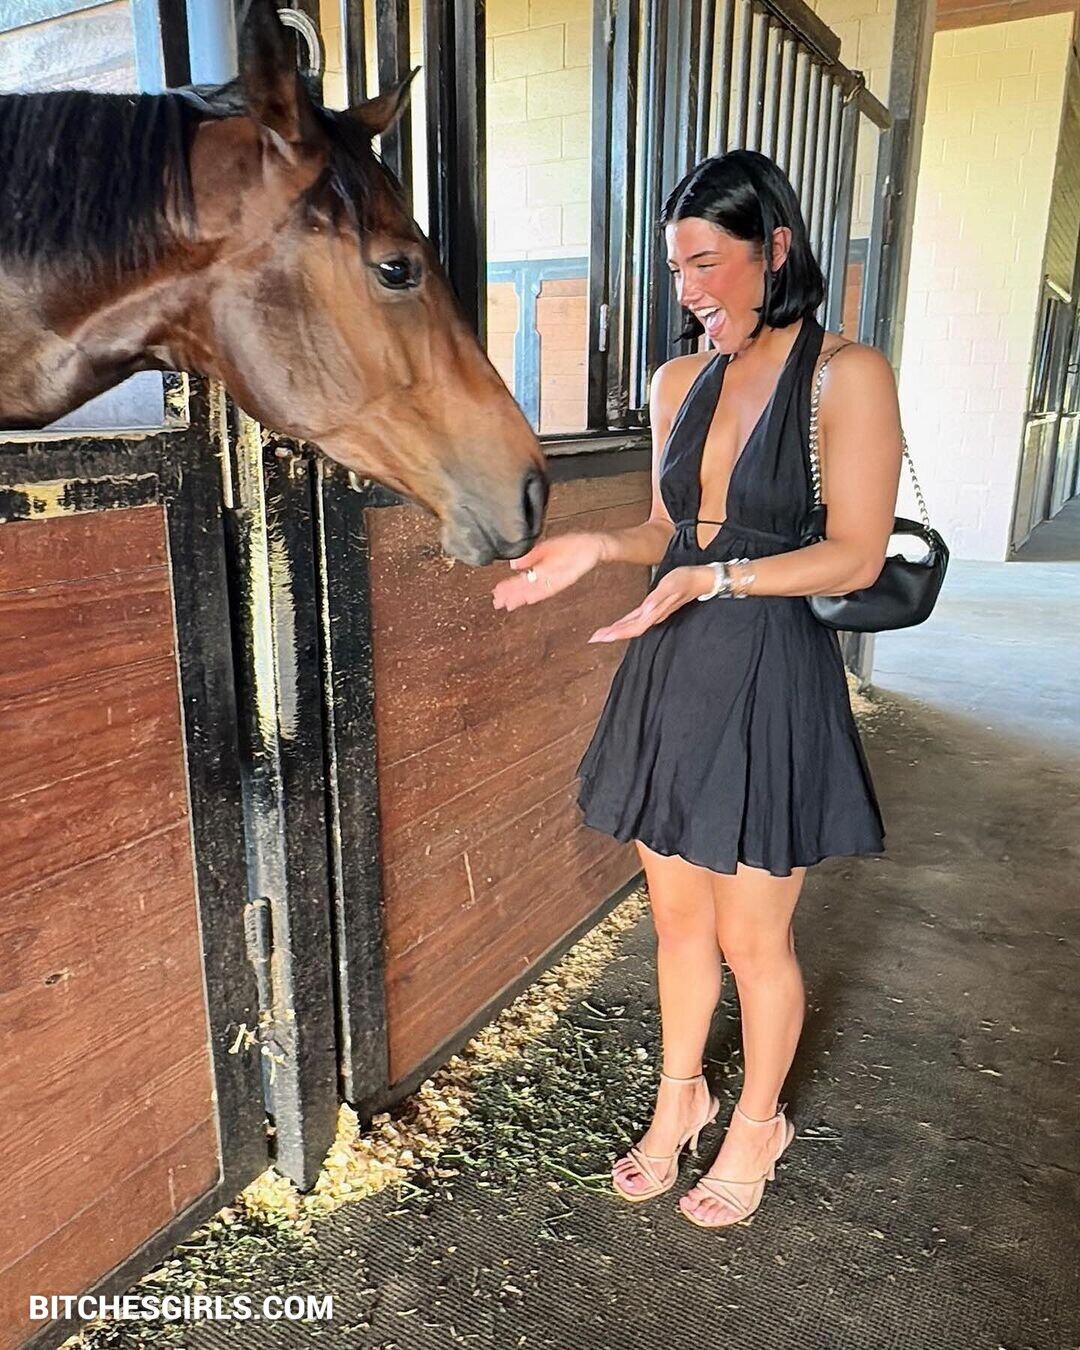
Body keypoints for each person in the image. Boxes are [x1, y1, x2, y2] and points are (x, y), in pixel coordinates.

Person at [491, 149, 902, 1229]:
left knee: (753, 938)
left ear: (777, 248)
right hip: (672, 664)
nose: (689, 291)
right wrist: (596, 547)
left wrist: (714, 579)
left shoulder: (845, 376)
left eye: (708, 263)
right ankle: (683, 1098)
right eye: (677, 269)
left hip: (771, 668)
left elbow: (856, 553)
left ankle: (759, 1122)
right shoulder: (678, 382)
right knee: (677, 922)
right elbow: (668, 531)